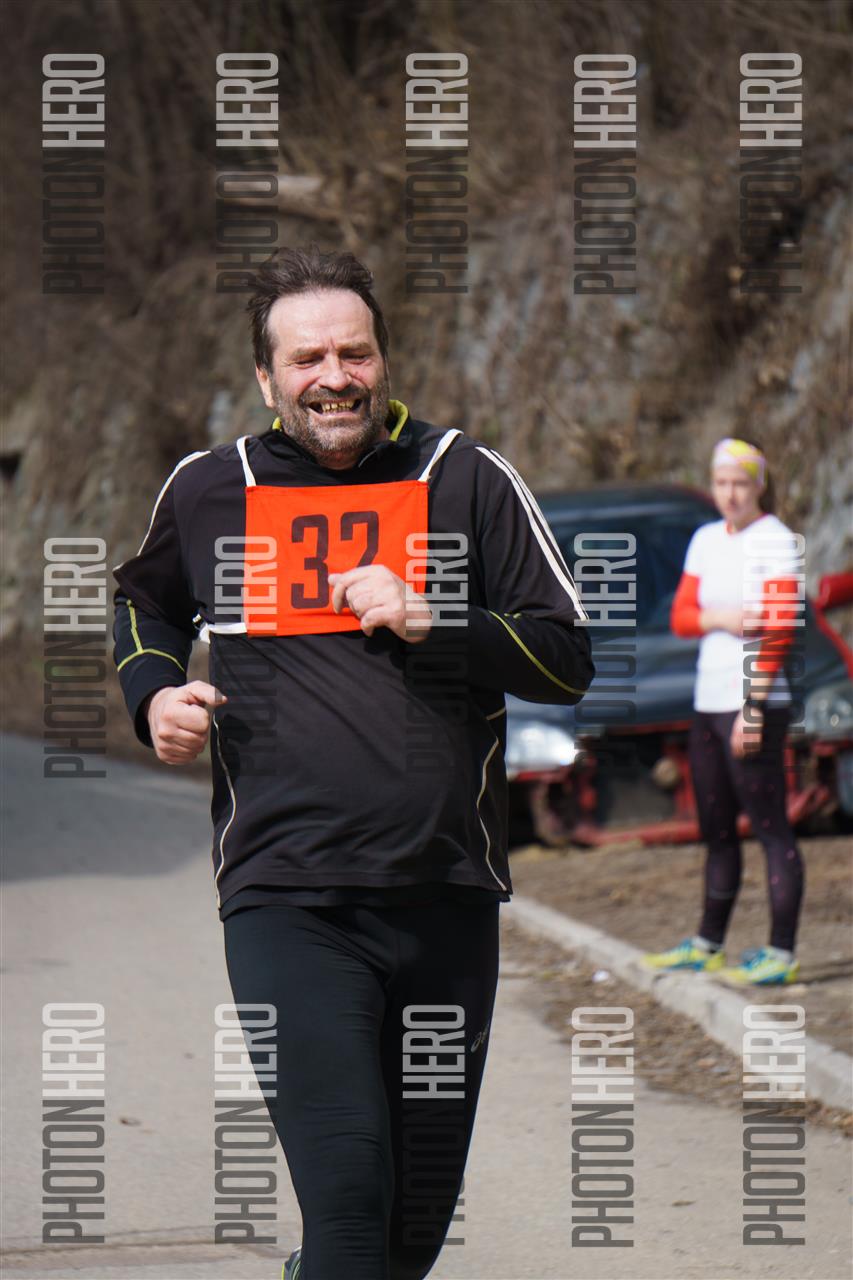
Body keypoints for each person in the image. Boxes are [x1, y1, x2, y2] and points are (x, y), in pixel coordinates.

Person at [111, 245, 594, 1280]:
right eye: (307, 358)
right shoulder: (212, 488)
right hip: (288, 899)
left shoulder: (463, 476)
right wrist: (152, 693)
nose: (334, 376)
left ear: (383, 358)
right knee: (347, 1203)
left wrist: (436, 617)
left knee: (404, 1241)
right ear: (266, 378)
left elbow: (565, 657)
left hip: (445, 899)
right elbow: (143, 602)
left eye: (354, 352)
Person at [644, 437, 804, 986]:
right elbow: (682, 617)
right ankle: (708, 944)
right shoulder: (706, 540)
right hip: (707, 702)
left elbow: (778, 631)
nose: (730, 494)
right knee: (714, 829)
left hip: (753, 702)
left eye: (740, 483)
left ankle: (781, 954)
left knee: (771, 828)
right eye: (721, 483)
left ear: (760, 485)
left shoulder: (776, 540)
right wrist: (723, 616)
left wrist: (753, 706)